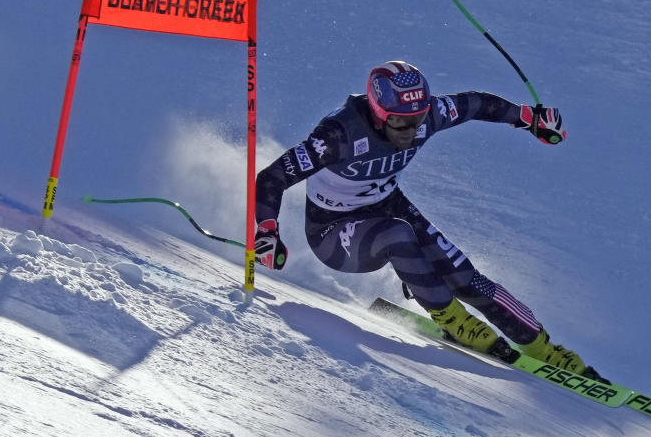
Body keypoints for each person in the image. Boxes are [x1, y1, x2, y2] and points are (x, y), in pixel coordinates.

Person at [254, 60, 605, 380]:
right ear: (377, 112)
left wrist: (528, 117)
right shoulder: (339, 134)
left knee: (466, 277)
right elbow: (272, 177)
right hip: (332, 233)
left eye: (417, 119)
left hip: (387, 205)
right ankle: (451, 318)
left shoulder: (429, 114)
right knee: (397, 234)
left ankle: (544, 348)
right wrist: (268, 230)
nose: (408, 130)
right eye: (398, 121)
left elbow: (476, 104)